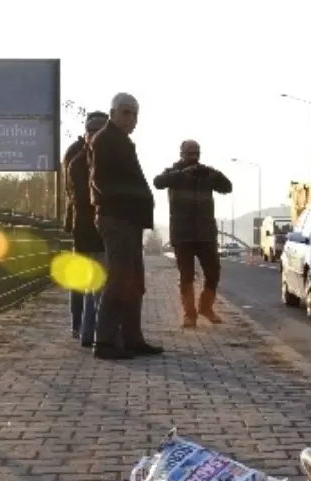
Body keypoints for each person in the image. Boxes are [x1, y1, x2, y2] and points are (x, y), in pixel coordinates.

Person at [89, 92, 161, 360]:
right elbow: (101, 181)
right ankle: (105, 342)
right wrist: (133, 197)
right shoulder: (105, 140)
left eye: (134, 114)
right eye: (126, 112)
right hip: (116, 217)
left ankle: (132, 338)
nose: (131, 118)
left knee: (134, 281)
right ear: (113, 113)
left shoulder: (123, 142)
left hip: (130, 220)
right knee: (119, 279)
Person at [153, 140, 232, 327]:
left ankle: (206, 307)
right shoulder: (173, 173)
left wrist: (214, 174)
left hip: (206, 233)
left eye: (196, 152)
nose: (193, 156)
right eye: (189, 153)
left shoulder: (207, 173)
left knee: (213, 272)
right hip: (183, 234)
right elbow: (158, 182)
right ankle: (190, 315)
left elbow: (227, 187)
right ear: (181, 153)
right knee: (186, 275)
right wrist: (181, 174)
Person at [64, 111, 109, 347]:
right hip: (86, 223)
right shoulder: (79, 157)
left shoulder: (76, 153)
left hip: (82, 223)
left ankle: (82, 327)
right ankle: (84, 328)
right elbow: (78, 193)